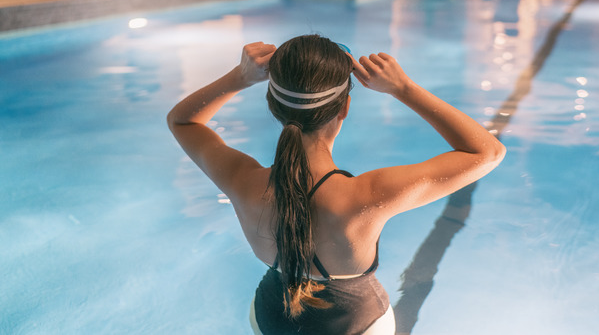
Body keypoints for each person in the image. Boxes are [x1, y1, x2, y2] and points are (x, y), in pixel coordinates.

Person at [167, 35, 505, 334]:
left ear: (272, 105)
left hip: (269, 319)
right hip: (357, 326)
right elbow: (487, 151)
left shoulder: (241, 180)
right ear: (344, 107)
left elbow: (182, 121)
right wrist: (404, 88)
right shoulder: (369, 196)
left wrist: (238, 78)